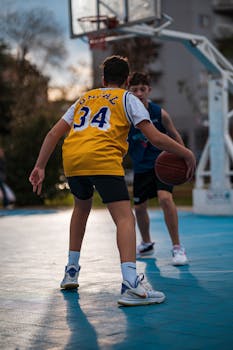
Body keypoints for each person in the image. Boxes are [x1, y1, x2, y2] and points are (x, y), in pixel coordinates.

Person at [29, 56, 195, 306]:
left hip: (73, 159)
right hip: (102, 158)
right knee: (125, 218)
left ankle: (71, 271)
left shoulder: (85, 97)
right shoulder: (128, 98)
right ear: (128, 81)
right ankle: (131, 285)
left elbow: (54, 133)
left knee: (81, 209)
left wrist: (39, 165)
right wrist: (186, 153)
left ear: (103, 80)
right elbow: (156, 138)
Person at [128, 72, 189, 265]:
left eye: (142, 89)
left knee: (165, 198)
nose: (138, 93)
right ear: (128, 91)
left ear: (149, 90)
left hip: (162, 165)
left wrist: (184, 156)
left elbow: (174, 134)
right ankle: (146, 243)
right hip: (140, 167)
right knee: (139, 208)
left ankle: (177, 247)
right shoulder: (126, 116)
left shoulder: (159, 113)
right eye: (134, 89)